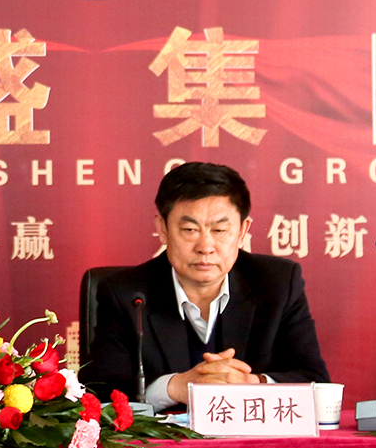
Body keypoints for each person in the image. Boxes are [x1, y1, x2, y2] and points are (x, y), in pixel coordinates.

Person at [83, 161, 328, 409]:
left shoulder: (277, 283)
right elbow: (99, 392)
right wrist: (175, 387)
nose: (205, 247)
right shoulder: (126, 294)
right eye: (190, 229)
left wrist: (252, 383)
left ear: (242, 231)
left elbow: (315, 382)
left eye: (220, 230)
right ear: (163, 229)